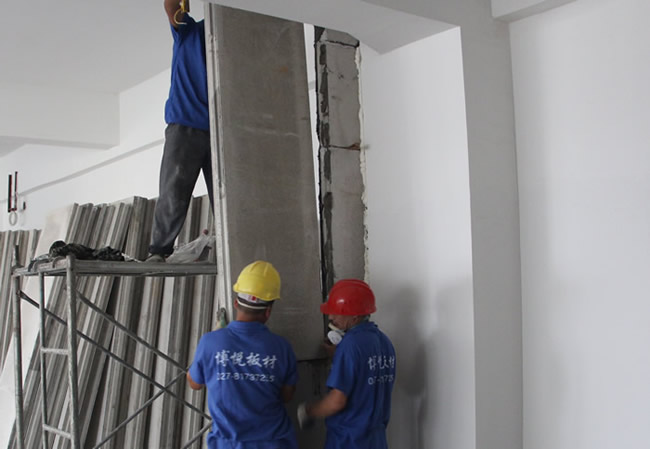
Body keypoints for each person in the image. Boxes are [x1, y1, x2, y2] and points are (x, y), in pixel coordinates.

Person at [187, 261, 299, 449]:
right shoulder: (282, 348)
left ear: (235, 303)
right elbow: (287, 396)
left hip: (227, 444)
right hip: (274, 443)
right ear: (268, 311)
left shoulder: (210, 343)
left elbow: (194, 383)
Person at [148, 0, 212, 261]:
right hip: (185, 124)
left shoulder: (234, 47)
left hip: (222, 129)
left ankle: (231, 245)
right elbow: (171, 6)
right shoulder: (189, 31)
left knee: (227, 196)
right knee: (174, 191)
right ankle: (159, 250)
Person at [297, 279, 396, 449]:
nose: (331, 317)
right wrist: (339, 357)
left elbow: (337, 401)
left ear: (354, 316)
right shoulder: (384, 342)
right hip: (376, 440)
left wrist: (309, 411)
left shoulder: (350, 345)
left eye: (336, 313)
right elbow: (367, 377)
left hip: (348, 440)